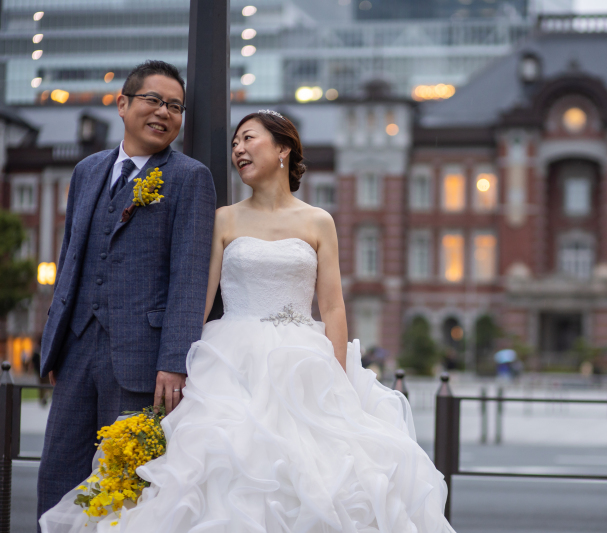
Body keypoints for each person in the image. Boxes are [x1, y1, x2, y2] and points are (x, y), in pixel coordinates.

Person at [41, 110, 455, 532]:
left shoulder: (318, 221)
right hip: (228, 360)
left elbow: (332, 307)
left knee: (321, 473)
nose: (238, 149)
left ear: (282, 149)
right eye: (235, 143)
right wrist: (175, 361)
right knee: (220, 465)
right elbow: (197, 302)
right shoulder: (225, 218)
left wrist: (338, 379)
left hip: (302, 362)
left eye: (248, 139)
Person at [36, 60, 216, 524]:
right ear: (123, 104)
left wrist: (175, 361)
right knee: (60, 471)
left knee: (127, 485)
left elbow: (190, 276)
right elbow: (70, 259)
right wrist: (54, 346)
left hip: (142, 358)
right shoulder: (87, 170)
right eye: (153, 100)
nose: (164, 113)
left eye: (175, 106)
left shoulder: (189, 177)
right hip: (77, 349)